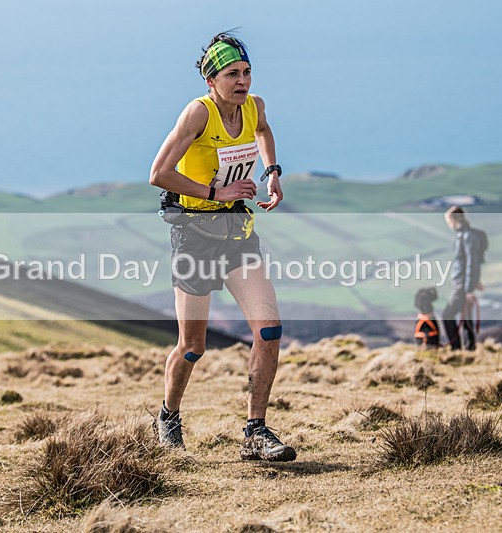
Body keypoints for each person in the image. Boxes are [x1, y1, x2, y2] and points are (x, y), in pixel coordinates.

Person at [149, 32, 295, 461]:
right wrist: (216, 193)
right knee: (193, 346)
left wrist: (272, 172)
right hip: (193, 234)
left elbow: (263, 130)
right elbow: (158, 174)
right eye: (232, 73)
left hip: (237, 233)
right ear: (212, 79)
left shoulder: (254, 107)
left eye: (247, 72)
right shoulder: (199, 113)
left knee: (269, 330)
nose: (243, 80)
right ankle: (168, 416)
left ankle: (255, 431)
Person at [442, 206, 485, 351]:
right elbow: (473, 261)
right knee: (465, 315)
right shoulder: (466, 235)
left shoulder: (467, 236)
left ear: (453, 219)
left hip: (461, 284)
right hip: (463, 283)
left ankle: (456, 349)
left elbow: (472, 262)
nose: (448, 225)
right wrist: (474, 281)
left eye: (448, 221)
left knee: (447, 315)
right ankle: (469, 349)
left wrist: (469, 289)